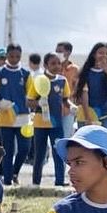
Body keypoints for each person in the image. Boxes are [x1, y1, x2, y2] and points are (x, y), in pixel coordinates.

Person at [0, 43, 32, 185]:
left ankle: (14, 172)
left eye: (17, 56)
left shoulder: (25, 73)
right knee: (7, 150)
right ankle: (7, 182)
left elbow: (30, 94)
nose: (14, 59)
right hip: (5, 117)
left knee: (25, 148)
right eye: (12, 56)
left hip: (22, 116)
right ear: (7, 55)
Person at [27, 52, 70, 187]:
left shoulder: (62, 81)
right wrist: (38, 103)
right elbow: (29, 102)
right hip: (40, 123)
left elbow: (65, 100)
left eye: (58, 63)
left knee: (58, 151)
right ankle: (36, 182)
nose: (56, 66)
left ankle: (59, 181)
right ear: (45, 65)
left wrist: (72, 108)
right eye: (53, 63)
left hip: (57, 123)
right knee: (39, 153)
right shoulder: (38, 80)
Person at [74, 42, 107, 132]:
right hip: (86, 113)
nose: (104, 56)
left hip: (105, 113)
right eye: (101, 53)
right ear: (94, 55)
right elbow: (84, 94)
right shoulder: (86, 71)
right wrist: (88, 118)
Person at [56, 41, 80, 144]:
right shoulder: (53, 67)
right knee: (54, 138)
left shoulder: (75, 69)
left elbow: (78, 89)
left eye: (60, 51)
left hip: (68, 110)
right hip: (53, 109)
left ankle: (64, 160)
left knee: (65, 137)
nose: (58, 54)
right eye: (56, 51)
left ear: (69, 52)